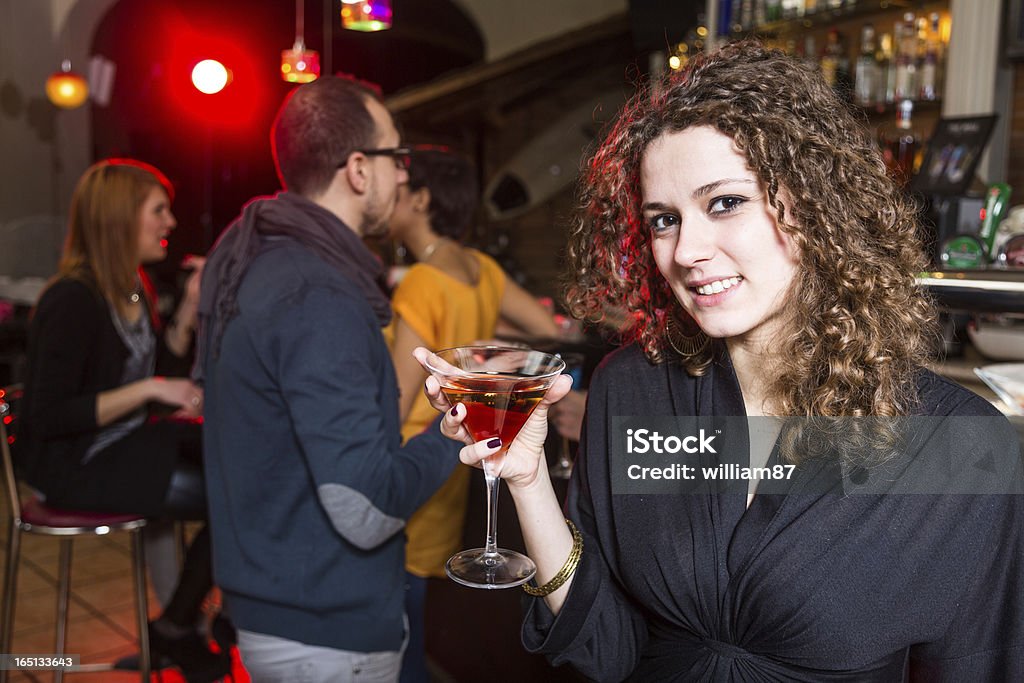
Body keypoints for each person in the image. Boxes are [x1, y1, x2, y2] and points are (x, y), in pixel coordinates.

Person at [416, 41, 1024, 681]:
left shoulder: (956, 446)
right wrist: (527, 477)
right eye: (663, 220)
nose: (686, 251)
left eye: (725, 203)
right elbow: (607, 648)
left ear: (816, 205)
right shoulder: (635, 392)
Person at [195, 76, 462, 683]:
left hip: (284, 601)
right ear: (360, 169)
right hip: (322, 625)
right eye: (398, 158)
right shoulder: (317, 292)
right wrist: (458, 425)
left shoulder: (271, 257)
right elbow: (365, 509)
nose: (403, 176)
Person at [21, 159, 230, 682]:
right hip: (74, 460)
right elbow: (47, 416)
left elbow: (160, 372)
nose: (170, 223)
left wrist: (187, 307)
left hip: (125, 440)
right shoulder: (71, 299)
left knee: (237, 468)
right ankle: (180, 630)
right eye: (158, 211)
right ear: (120, 218)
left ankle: (186, 625)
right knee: (231, 500)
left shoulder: (132, 286)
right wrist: (151, 389)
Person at [386, 147, 558, 683]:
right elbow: (550, 331)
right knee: (427, 593)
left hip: (419, 448)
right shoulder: (479, 267)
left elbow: (396, 396)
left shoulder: (421, 280)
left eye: (400, 186)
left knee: (402, 611)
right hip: (462, 457)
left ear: (420, 200)